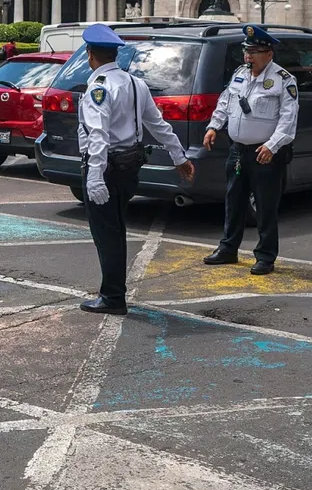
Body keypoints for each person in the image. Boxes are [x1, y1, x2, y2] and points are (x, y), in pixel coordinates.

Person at [77, 25, 195, 314]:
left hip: (106, 169)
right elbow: (158, 125)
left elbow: (98, 135)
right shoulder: (134, 83)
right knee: (115, 230)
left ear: (90, 55)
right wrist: (179, 157)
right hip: (128, 167)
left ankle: (113, 297)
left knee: (107, 234)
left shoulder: (99, 87)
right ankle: (114, 293)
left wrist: (94, 177)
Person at [201, 24, 300, 275]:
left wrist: (272, 146)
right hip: (238, 151)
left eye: (254, 52)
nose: (248, 57)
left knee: (265, 207)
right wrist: (213, 127)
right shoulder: (240, 74)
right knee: (234, 202)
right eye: (246, 51)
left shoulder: (283, 80)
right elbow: (225, 102)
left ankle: (265, 256)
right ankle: (228, 249)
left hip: (264, 153)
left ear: (268, 53)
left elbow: (288, 121)